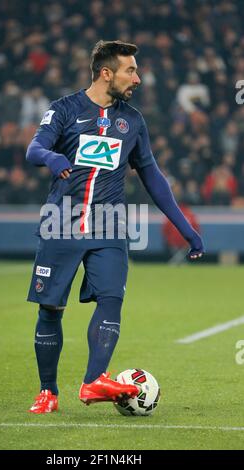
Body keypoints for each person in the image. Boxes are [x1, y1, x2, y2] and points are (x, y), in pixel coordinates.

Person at [26, 40, 205, 414]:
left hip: (109, 226)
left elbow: (153, 178)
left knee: (112, 298)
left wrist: (185, 227)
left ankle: (93, 381)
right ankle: (48, 392)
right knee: (50, 309)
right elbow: (34, 149)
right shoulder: (64, 110)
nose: (137, 78)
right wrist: (52, 155)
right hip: (62, 223)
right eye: (130, 70)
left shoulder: (133, 121)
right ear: (106, 73)